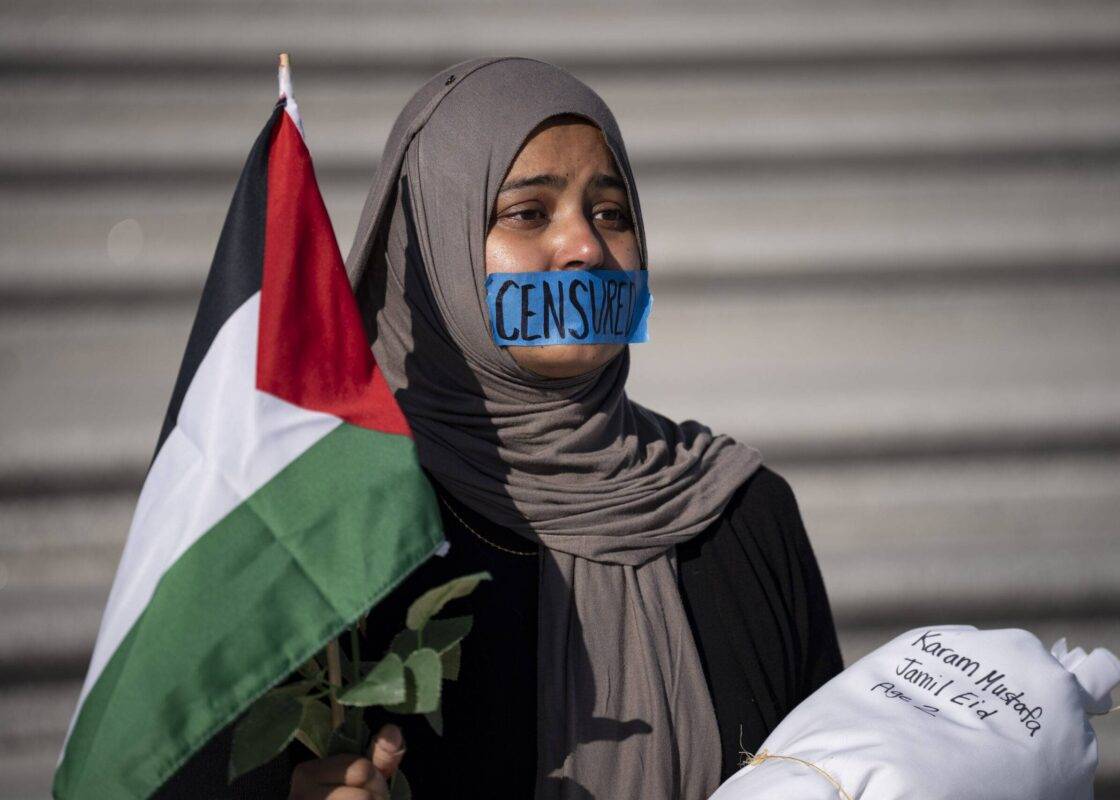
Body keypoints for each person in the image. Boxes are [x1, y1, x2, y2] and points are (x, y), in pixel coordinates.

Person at [154, 56, 842, 800]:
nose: (585, 248)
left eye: (611, 213)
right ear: (435, 252)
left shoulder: (739, 512)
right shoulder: (320, 526)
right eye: (528, 213)